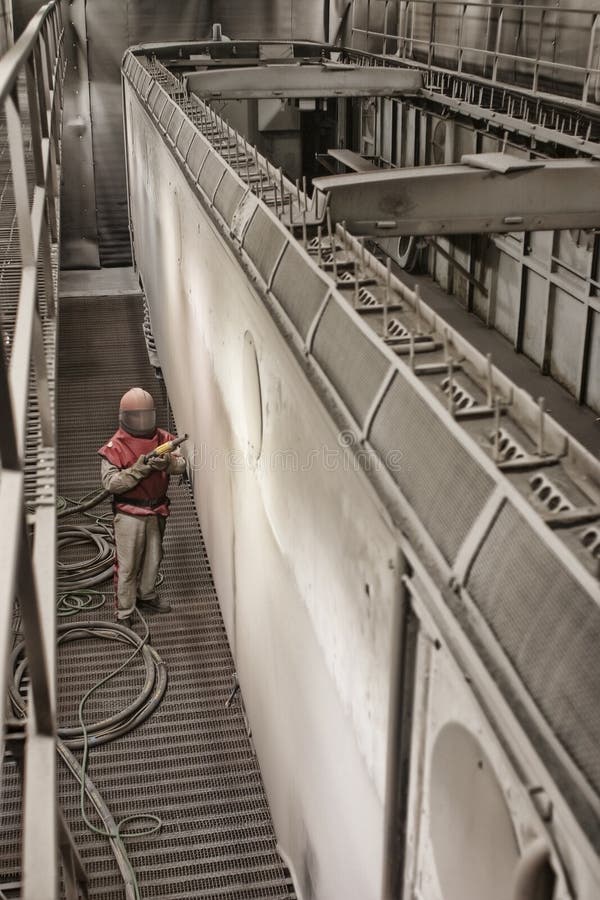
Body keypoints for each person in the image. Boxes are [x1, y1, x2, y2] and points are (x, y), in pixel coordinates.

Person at [98, 387, 186, 626]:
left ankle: (146, 595)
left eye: (146, 416)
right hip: (129, 514)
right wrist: (140, 469)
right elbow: (112, 484)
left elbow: (182, 464)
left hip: (157, 509)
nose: (141, 422)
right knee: (127, 565)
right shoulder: (114, 447)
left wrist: (167, 462)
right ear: (124, 417)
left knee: (154, 558)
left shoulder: (163, 439)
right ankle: (124, 611)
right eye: (136, 416)